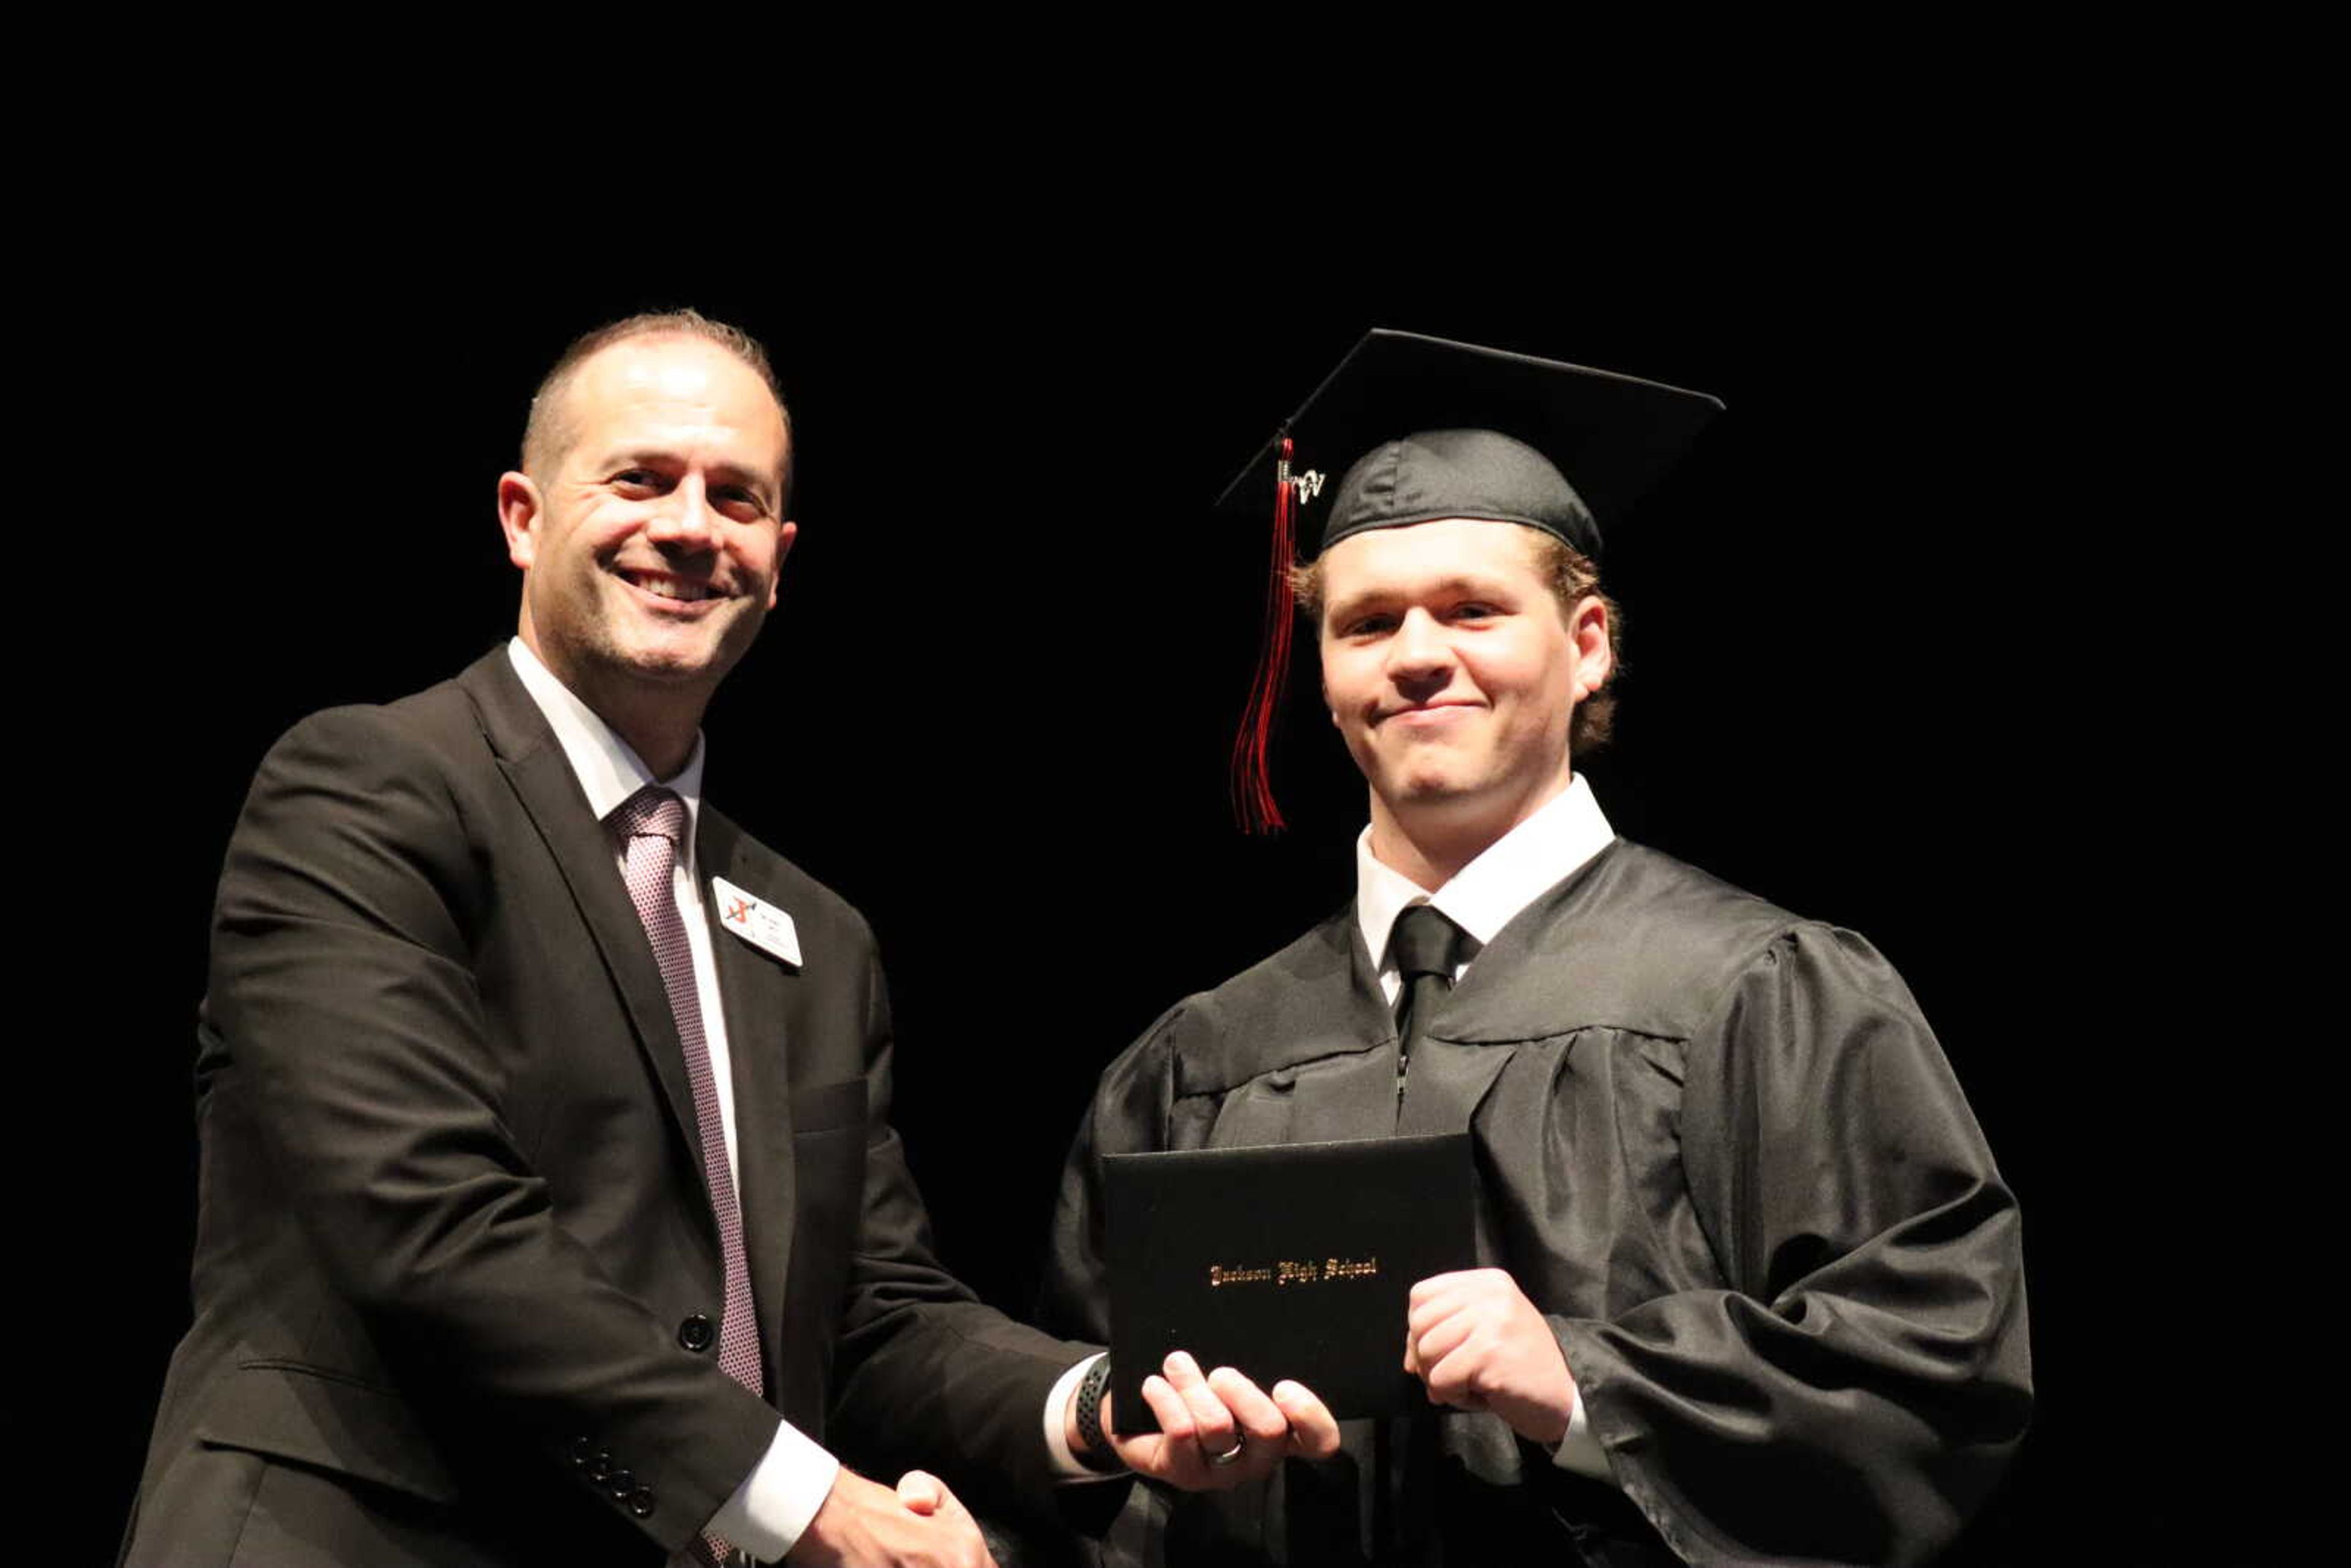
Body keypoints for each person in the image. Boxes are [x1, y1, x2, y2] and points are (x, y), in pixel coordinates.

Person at [122, 311, 1330, 1568]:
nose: (692, 526)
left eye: (737, 497)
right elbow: (425, 1223)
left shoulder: (814, 933)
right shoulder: (367, 791)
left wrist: (1097, 1402)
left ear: (781, 552)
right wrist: (803, 1497)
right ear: (521, 517)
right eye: (639, 479)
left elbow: (872, 1313)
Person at [1038, 331, 2033, 1566]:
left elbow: (1930, 1362)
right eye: (1368, 623)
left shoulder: (1754, 992)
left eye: (1473, 609)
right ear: (1325, 671)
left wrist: (1584, 1385)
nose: (1416, 654)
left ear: (1591, 644)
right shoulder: (1200, 1059)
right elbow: (1089, 1440)